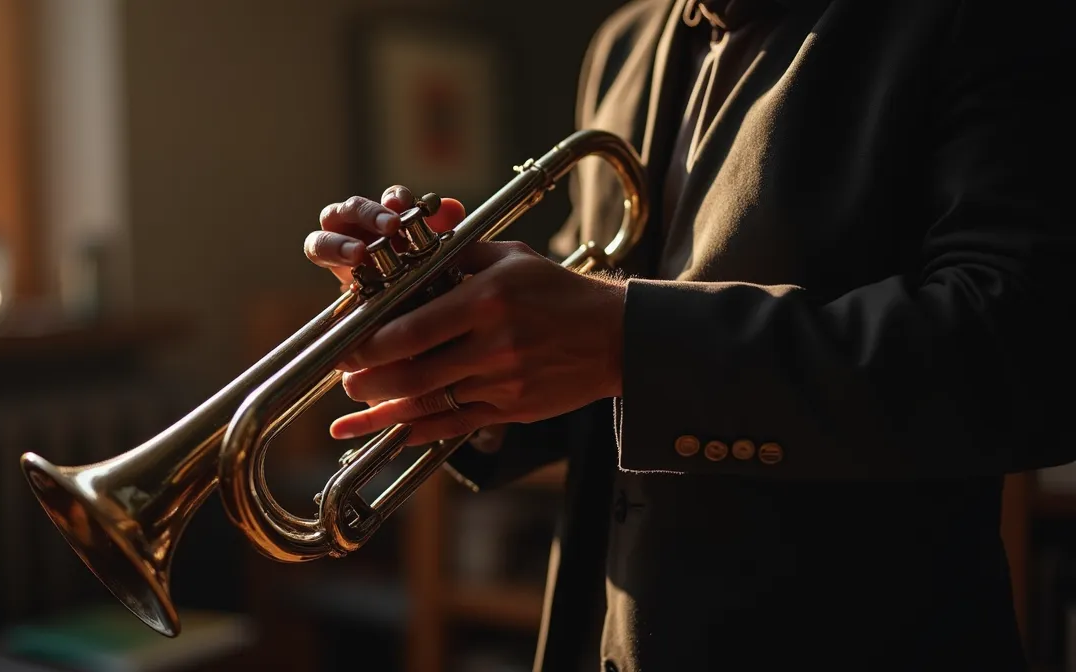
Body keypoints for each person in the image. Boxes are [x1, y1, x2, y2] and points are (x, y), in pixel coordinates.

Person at [304, 0, 1072, 670]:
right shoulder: (623, 43)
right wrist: (454, 324)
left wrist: (627, 340)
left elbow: (1028, 348)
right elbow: (583, 334)